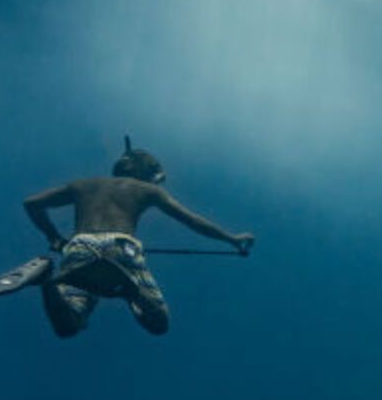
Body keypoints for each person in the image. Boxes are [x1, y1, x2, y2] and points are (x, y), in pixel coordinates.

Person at [21, 137, 254, 338]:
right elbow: (193, 221)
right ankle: (133, 292)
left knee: (68, 325)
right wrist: (232, 239)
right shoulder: (147, 190)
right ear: (144, 172)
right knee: (159, 323)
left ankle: (44, 281)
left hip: (80, 246)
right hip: (122, 248)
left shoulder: (82, 185)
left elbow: (31, 204)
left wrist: (54, 238)